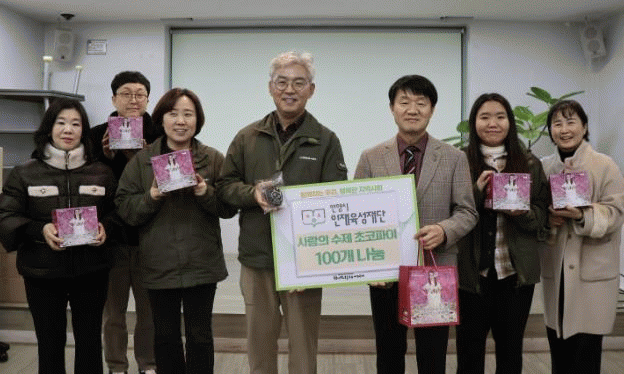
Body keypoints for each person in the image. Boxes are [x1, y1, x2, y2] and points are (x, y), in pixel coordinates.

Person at [217, 51, 348, 374]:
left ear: (311, 90)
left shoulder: (326, 140)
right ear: (270, 87)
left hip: (305, 262)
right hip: (257, 258)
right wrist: (252, 194)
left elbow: (337, 199)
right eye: (282, 82)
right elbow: (225, 187)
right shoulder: (247, 137)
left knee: (303, 348)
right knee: (259, 345)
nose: (290, 90)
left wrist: (313, 264)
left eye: (299, 83)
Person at [353, 74, 477, 374]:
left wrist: (444, 230)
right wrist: (369, 267)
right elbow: (357, 214)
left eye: (421, 103)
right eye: (404, 102)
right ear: (392, 108)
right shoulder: (370, 158)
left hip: (434, 271)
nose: (412, 109)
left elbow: (468, 211)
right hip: (386, 271)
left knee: (433, 355)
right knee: (388, 352)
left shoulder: (454, 158)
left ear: (432, 109)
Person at [116, 88, 236, 374]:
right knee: (165, 337)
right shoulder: (142, 161)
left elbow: (229, 207)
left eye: (188, 114)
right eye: (173, 114)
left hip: (201, 263)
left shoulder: (212, 159)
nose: (181, 121)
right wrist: (152, 196)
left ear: (197, 120)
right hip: (159, 263)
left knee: (200, 336)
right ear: (162, 119)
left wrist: (205, 192)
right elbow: (124, 208)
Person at [0, 98, 116, 374]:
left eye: (76, 124)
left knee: (90, 342)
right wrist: (39, 230)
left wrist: (106, 227)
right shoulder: (25, 173)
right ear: (49, 128)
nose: (68, 129)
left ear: (83, 130)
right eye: (61, 122)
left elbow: (117, 211)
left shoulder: (102, 172)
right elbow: (6, 215)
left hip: (91, 271)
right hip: (42, 272)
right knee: (50, 343)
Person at [455, 93, 549, 374]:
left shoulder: (529, 163)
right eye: (484, 117)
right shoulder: (459, 161)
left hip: (514, 275)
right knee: (469, 352)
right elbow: (450, 213)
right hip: (471, 275)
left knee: (510, 351)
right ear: (474, 123)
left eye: (500, 116)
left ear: (510, 122)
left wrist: (522, 213)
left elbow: (542, 215)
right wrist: (475, 192)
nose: (492, 123)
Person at [539, 100, 624, 374]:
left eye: (571, 122)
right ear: (550, 130)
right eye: (557, 123)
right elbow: (534, 212)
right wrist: (547, 219)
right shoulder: (543, 167)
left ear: (584, 127)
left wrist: (581, 215)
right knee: (558, 349)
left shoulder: (605, 165)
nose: (564, 129)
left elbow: (616, 212)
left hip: (592, 273)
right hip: (557, 271)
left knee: (586, 353)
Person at [91, 71, 160, 374]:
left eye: (140, 94)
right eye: (126, 93)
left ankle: (149, 364)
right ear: (113, 99)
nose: (134, 100)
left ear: (147, 99)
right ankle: (116, 366)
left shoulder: (159, 136)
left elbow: (168, 183)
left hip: (150, 237)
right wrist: (104, 158)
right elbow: (87, 185)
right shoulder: (95, 136)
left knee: (149, 312)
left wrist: (143, 159)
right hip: (110, 238)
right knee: (113, 312)